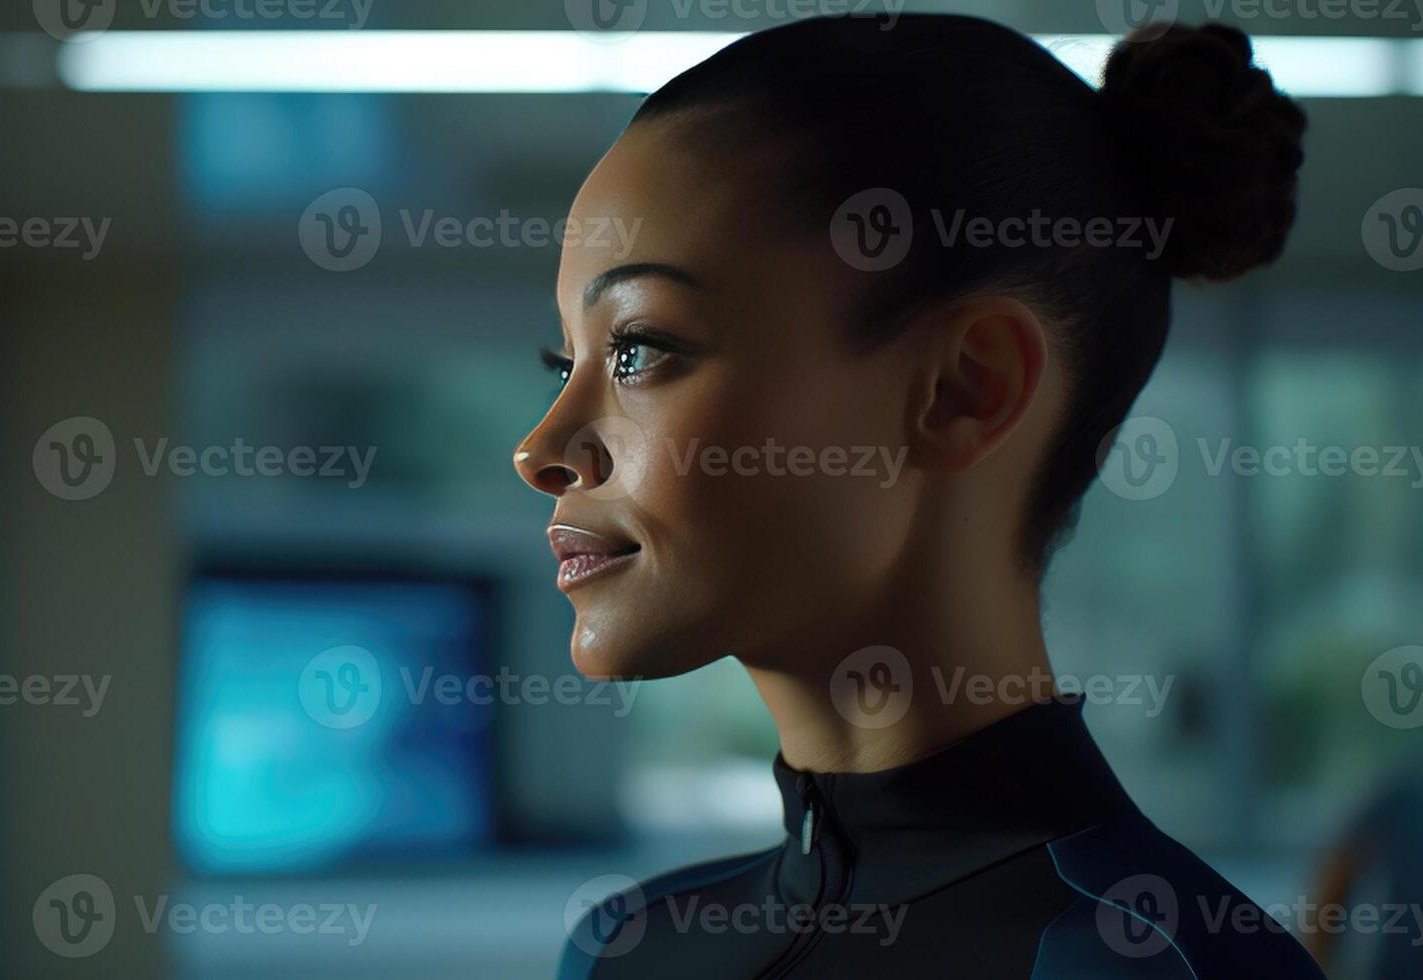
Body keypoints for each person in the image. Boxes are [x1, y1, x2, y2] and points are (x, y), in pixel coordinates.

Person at [511, 14, 1321, 978]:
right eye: (565, 363)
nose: (540, 449)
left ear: (963, 390)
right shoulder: (619, 950)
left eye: (639, 350)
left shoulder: (1146, 964)